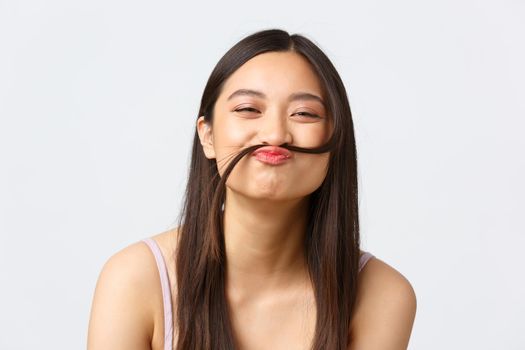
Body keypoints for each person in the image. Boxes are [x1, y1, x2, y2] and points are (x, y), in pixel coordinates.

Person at [87, 28, 417, 350]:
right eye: (248, 109)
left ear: (335, 143)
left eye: (304, 113)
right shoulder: (134, 280)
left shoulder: (384, 295)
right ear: (208, 135)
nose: (275, 134)